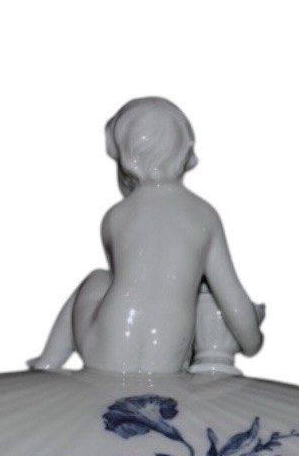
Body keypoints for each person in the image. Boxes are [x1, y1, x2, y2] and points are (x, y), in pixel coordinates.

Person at [27, 97, 264, 374]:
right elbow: (233, 299)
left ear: (126, 161)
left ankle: (49, 360)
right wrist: (252, 341)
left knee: (98, 279)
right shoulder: (204, 217)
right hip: (167, 359)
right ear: (186, 152)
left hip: (105, 352)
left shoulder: (116, 217)